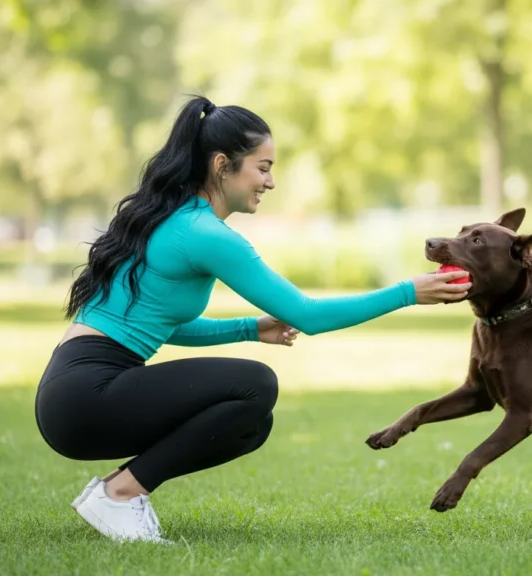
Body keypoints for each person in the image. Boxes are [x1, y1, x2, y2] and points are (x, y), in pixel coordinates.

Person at [34, 96, 471, 544]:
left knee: (251, 422)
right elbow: (307, 315)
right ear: (223, 165)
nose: (271, 181)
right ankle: (119, 494)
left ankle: (117, 493)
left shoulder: (176, 219)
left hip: (72, 397)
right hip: (86, 396)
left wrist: (248, 328)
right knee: (256, 384)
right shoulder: (205, 234)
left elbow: (163, 324)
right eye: (262, 168)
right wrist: (408, 292)